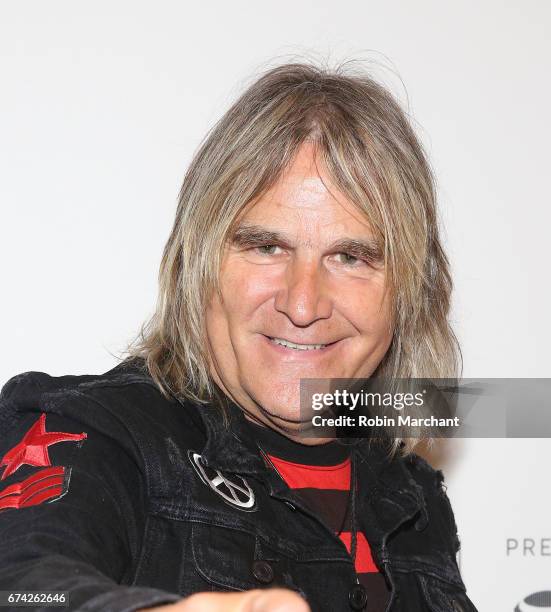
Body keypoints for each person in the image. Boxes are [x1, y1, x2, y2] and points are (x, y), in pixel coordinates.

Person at [0, 61, 478, 612]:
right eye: (266, 247)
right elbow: (22, 582)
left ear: (410, 291)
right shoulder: (99, 435)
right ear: (198, 263)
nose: (302, 304)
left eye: (350, 257)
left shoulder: (410, 495)